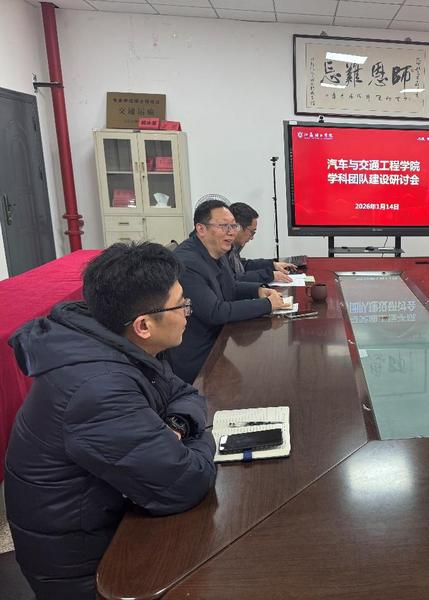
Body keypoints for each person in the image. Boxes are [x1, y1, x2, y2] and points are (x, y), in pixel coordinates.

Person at [4, 242, 217, 599]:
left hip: (111, 517)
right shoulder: (98, 388)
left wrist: (178, 427)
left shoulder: (115, 340)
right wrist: (203, 434)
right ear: (144, 325)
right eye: (182, 305)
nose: (187, 314)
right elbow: (186, 484)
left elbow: (185, 394)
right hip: (86, 567)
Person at [171, 198, 288, 383]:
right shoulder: (187, 263)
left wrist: (258, 291)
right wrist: (267, 305)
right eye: (224, 226)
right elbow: (215, 312)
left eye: (234, 226)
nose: (231, 232)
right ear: (201, 229)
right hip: (198, 357)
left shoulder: (218, 250)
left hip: (219, 339)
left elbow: (230, 286)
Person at [228, 201, 297, 285]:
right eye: (252, 232)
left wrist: (273, 265)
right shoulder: (222, 250)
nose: (252, 238)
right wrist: (270, 275)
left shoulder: (234, 248)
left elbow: (242, 266)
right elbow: (233, 279)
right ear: (238, 227)